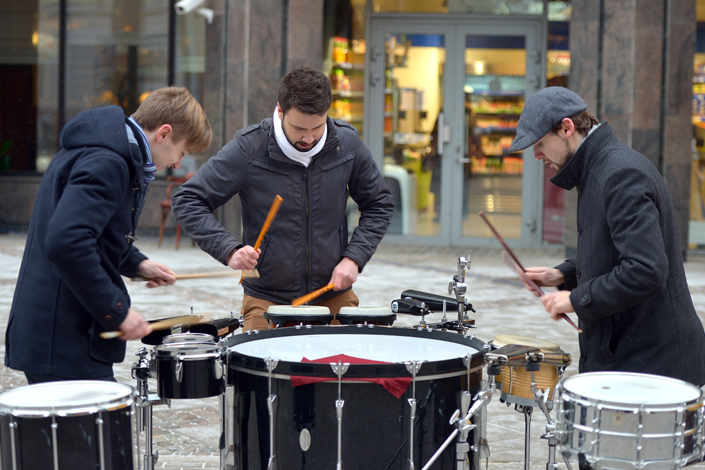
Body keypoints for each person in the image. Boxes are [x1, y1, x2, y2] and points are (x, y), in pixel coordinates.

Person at [5, 87, 213, 384]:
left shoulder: (107, 151)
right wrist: (116, 310)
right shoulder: (108, 161)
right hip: (64, 336)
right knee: (98, 430)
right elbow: (67, 242)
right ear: (164, 133)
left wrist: (137, 263)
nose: (178, 163)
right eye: (182, 152)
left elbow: (95, 234)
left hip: (58, 331)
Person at [508, 86, 705, 386]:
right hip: (630, 356)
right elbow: (612, 249)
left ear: (566, 128)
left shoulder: (620, 174)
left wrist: (574, 299)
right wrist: (560, 275)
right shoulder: (597, 169)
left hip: (655, 366)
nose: (536, 155)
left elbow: (647, 270)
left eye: (540, 144)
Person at [172, 66, 394, 331]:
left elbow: (379, 204)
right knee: (259, 370)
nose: (309, 138)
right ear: (280, 110)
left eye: (318, 127)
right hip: (267, 299)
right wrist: (228, 249)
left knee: (341, 371)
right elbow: (188, 199)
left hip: (333, 294)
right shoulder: (249, 148)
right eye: (299, 128)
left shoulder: (346, 144)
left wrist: (354, 258)